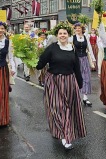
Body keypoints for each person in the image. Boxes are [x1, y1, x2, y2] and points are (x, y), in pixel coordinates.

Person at [36, 22, 86, 150]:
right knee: (58, 108)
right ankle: (65, 136)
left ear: (68, 35)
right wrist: (33, 59)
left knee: (68, 109)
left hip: (70, 82)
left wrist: (79, 83)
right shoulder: (52, 48)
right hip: (54, 82)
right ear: (57, 35)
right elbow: (41, 63)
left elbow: (76, 68)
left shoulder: (72, 48)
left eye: (65, 33)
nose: (62, 35)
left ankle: (63, 132)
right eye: (60, 33)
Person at [72, 23, 96, 106]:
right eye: (76, 28)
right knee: (76, 78)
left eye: (79, 28)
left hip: (85, 59)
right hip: (76, 60)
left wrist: (93, 59)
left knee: (86, 77)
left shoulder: (86, 37)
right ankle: (75, 96)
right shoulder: (73, 38)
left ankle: (85, 97)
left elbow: (89, 49)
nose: (78, 29)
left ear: (82, 29)